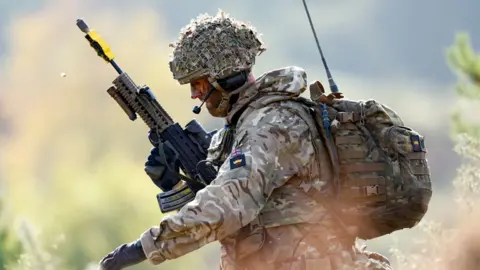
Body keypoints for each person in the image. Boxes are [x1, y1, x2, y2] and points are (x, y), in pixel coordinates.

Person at [98, 10, 393, 270]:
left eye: (199, 83)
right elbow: (232, 217)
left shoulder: (271, 125)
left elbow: (227, 205)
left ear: (224, 78)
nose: (194, 94)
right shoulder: (243, 127)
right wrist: (175, 185)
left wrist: (142, 248)